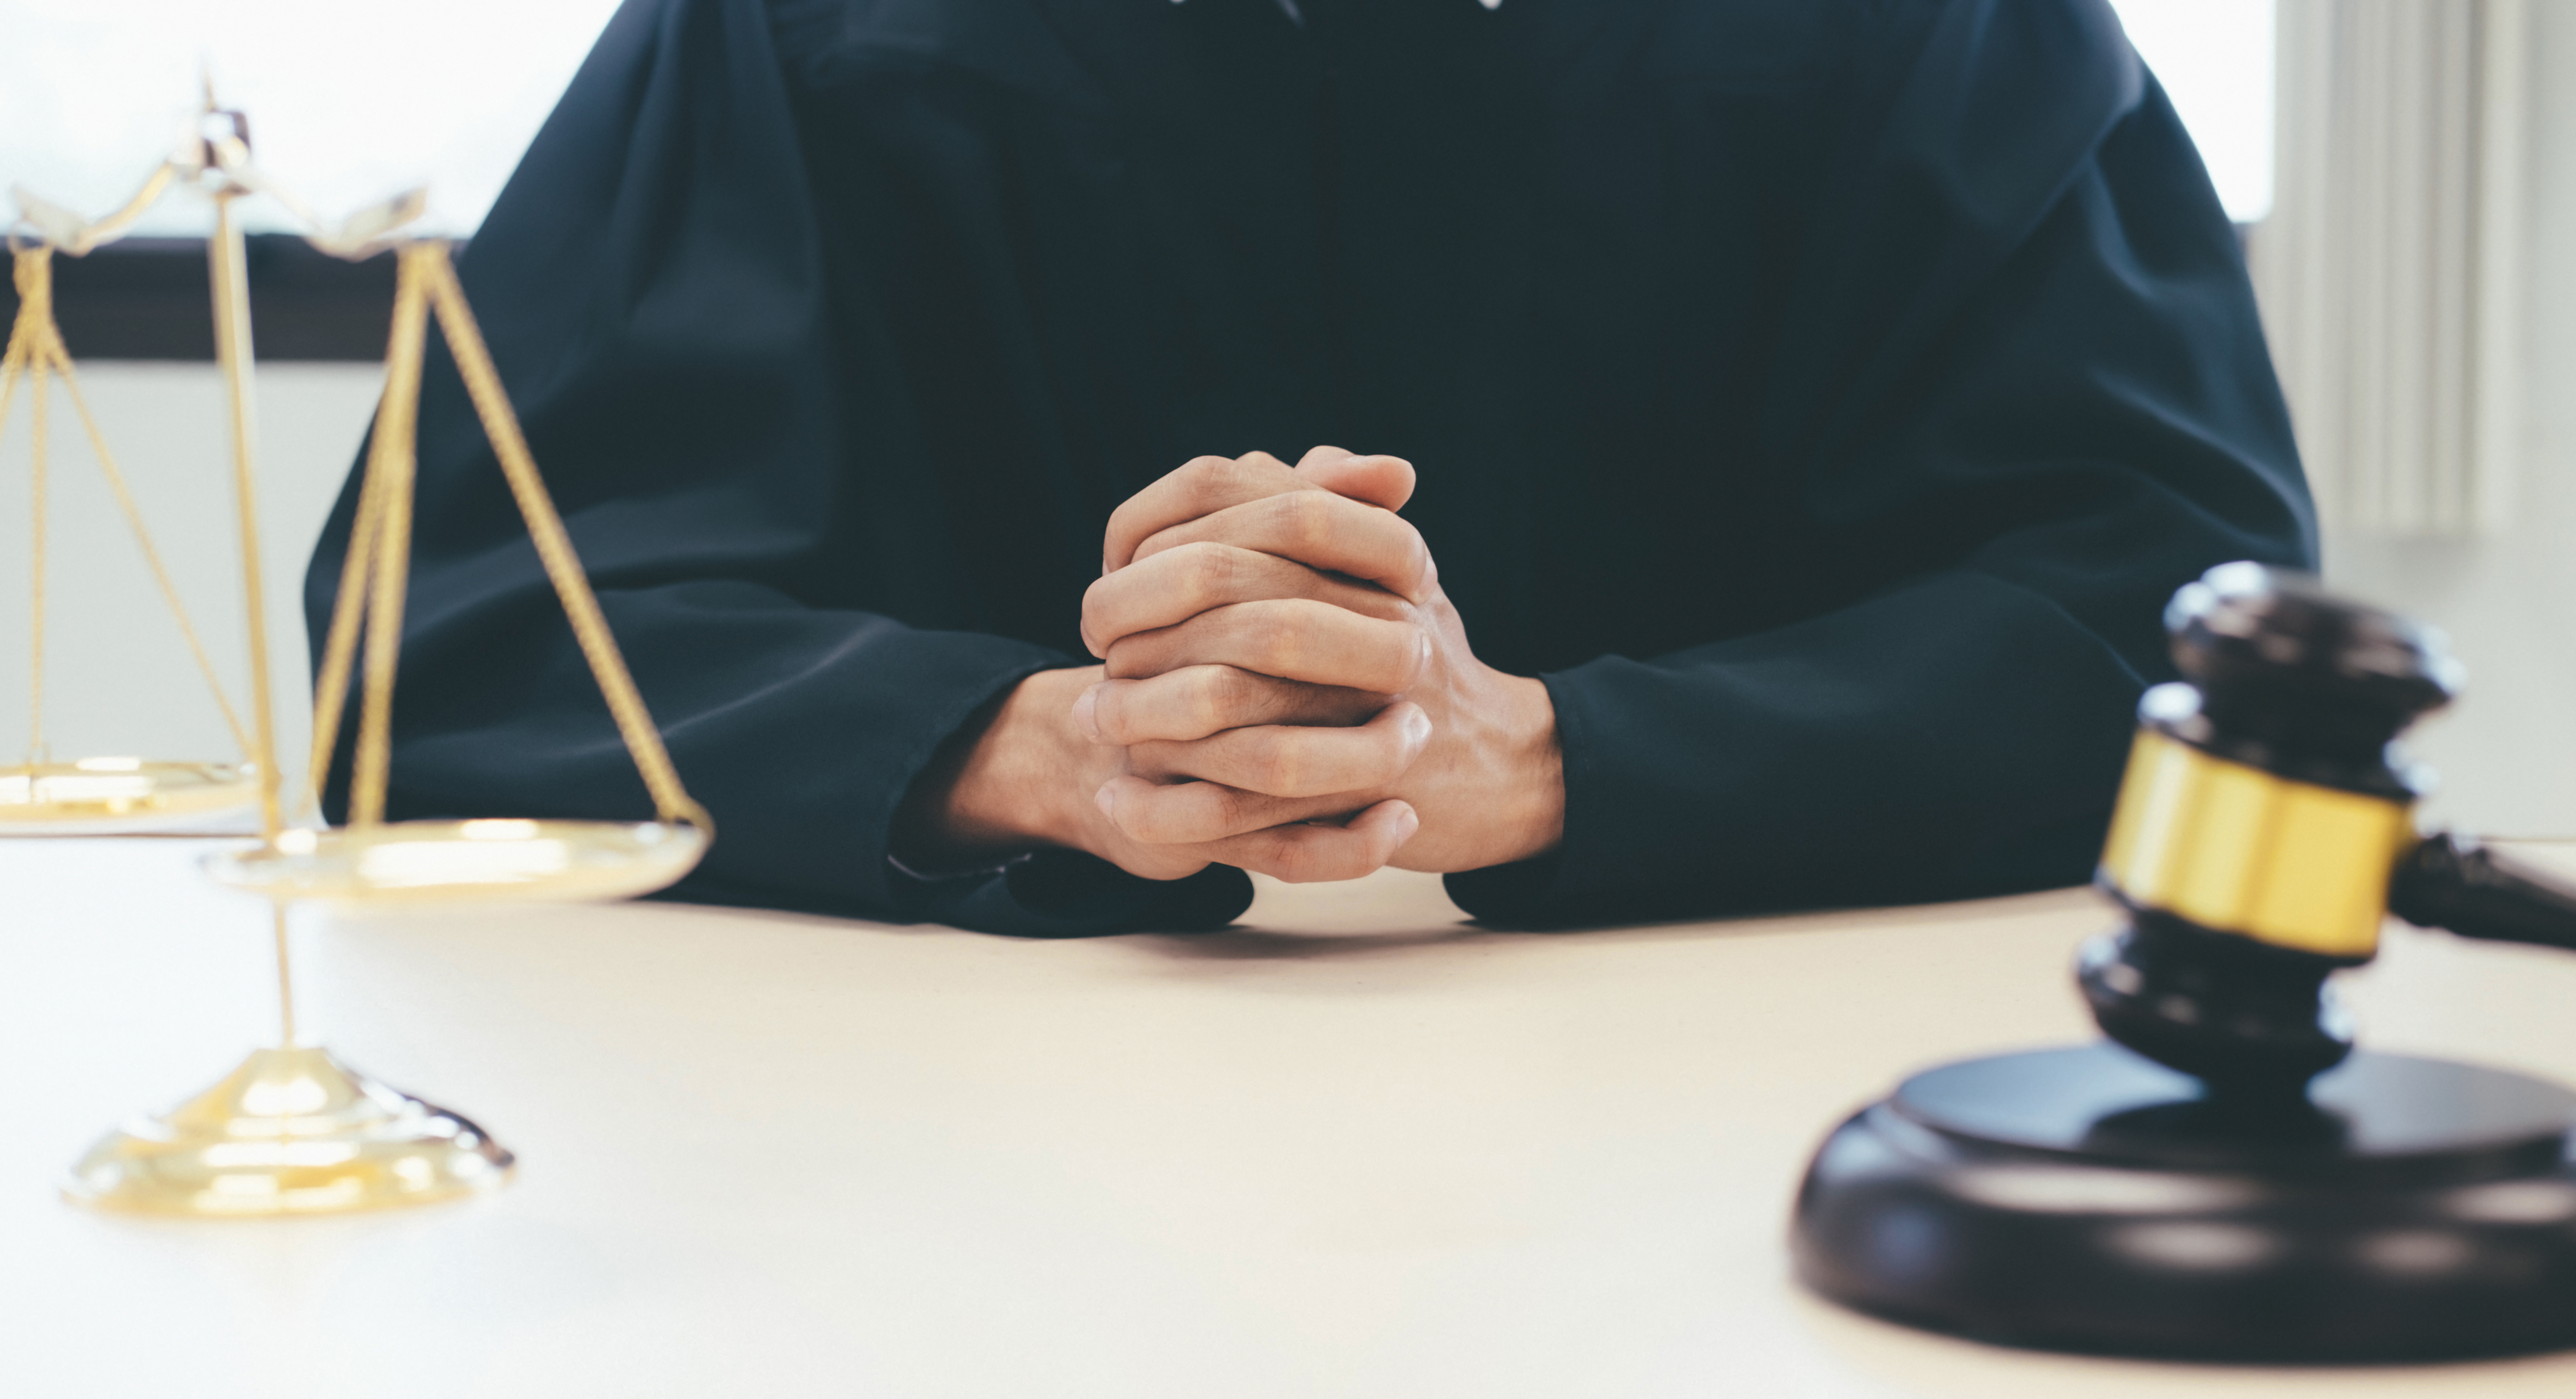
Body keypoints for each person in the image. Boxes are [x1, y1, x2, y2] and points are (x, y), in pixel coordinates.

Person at [306, 0, 2315, 936]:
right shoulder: (803, 26)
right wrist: (1052, 749)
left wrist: (1534, 759)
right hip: (927, 1147)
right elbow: (438, 637)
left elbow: (2178, 628)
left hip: (1753, 1143)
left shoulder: (1930, 31)